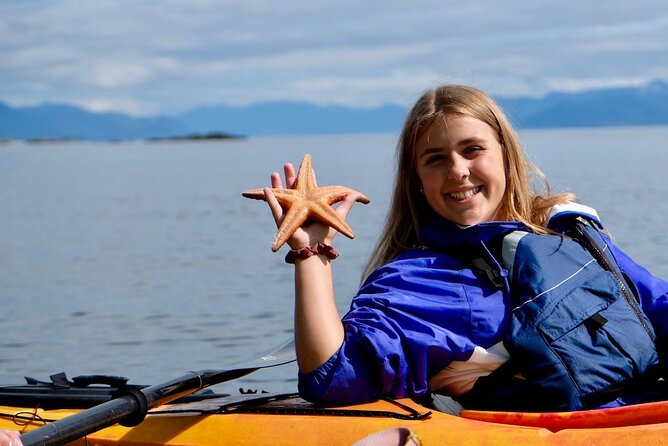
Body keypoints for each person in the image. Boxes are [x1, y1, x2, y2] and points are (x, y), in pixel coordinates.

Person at [259, 84, 668, 411]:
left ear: (506, 156)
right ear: (416, 179)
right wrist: (311, 255)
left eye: (472, 150)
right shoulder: (414, 281)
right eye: (435, 159)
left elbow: (656, 305)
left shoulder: (569, 233)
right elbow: (333, 375)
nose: (458, 171)